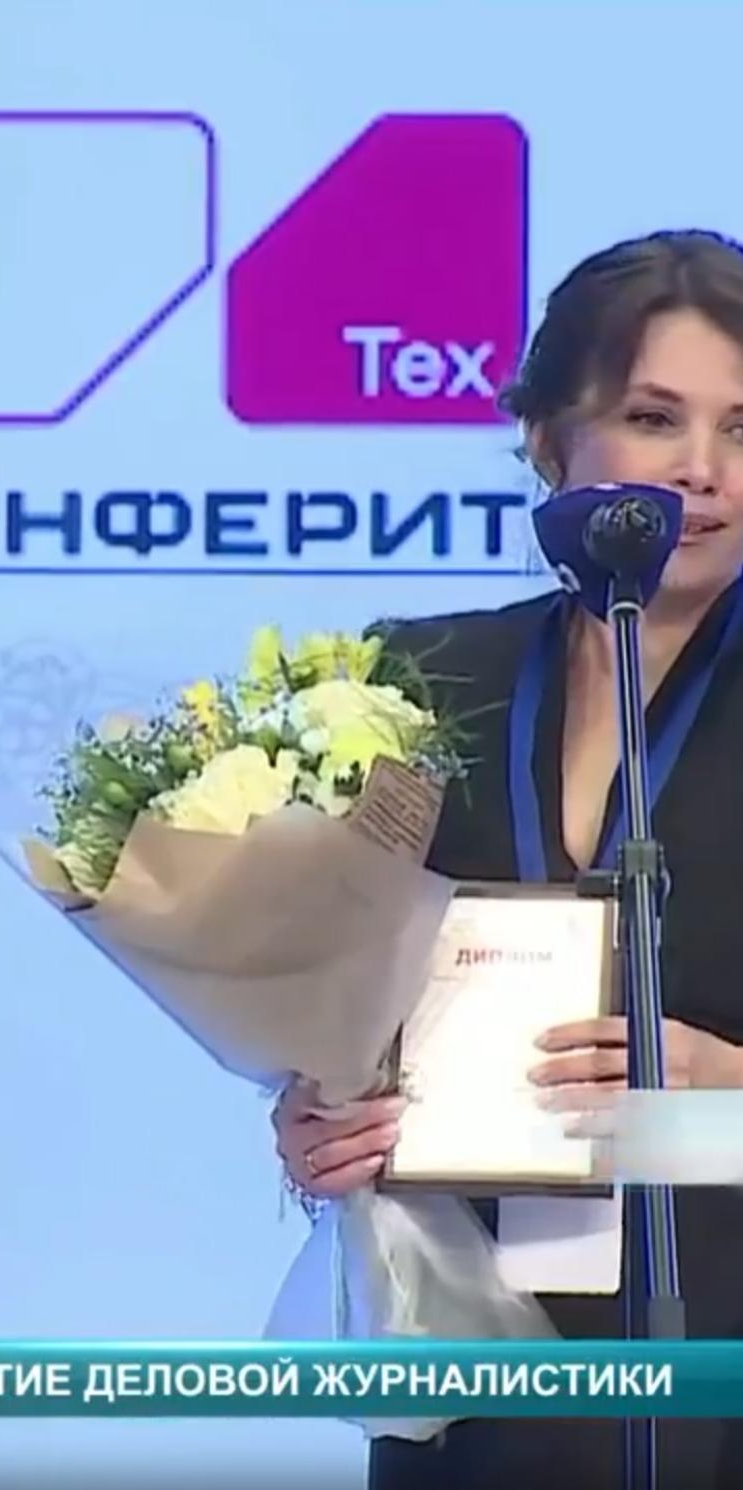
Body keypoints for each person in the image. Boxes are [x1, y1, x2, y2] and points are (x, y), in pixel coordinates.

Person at [273, 229, 743, 1489]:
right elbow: (344, 1002)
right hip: (481, 1359)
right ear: (547, 439)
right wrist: (319, 1113)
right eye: (653, 417)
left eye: (742, 429)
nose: (702, 471)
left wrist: (720, 1081)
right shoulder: (421, 677)